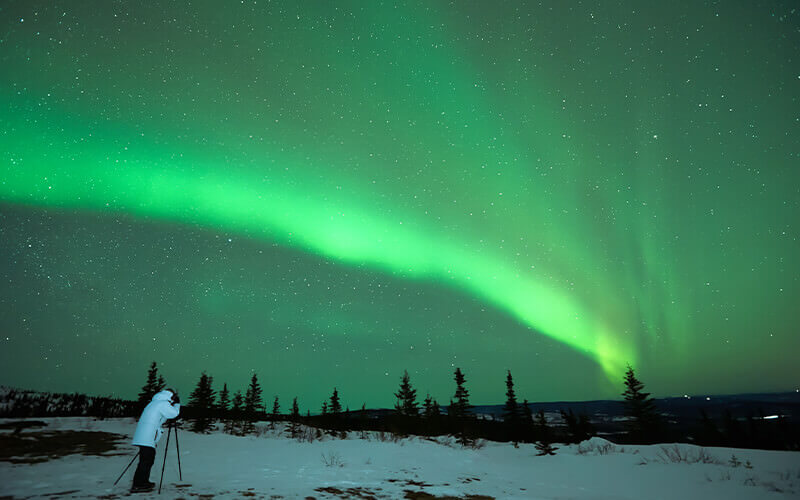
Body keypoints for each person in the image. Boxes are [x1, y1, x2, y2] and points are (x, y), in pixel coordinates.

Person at [131, 388, 180, 492]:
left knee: (146, 460)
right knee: (146, 461)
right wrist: (177, 404)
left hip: (143, 435)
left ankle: (142, 482)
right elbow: (173, 414)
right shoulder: (163, 403)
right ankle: (139, 484)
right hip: (148, 436)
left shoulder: (154, 403)